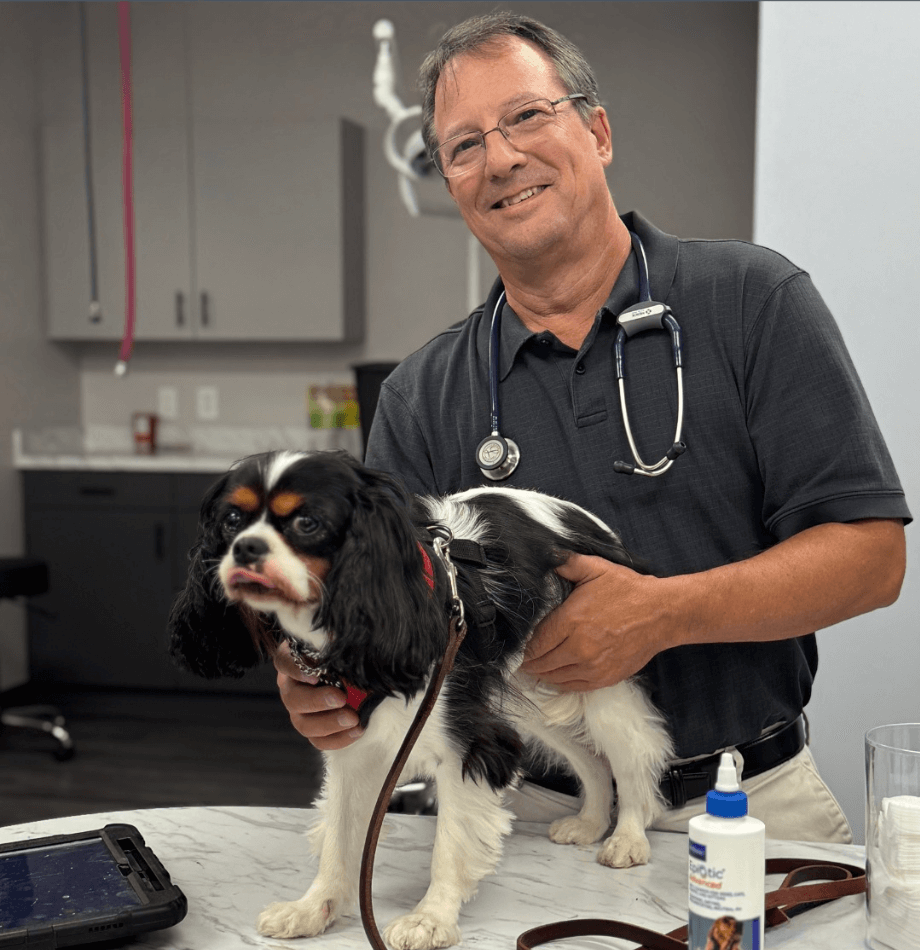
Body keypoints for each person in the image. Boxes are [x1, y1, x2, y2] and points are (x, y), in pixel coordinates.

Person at [275, 12, 910, 841]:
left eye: (526, 117)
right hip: (528, 818)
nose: (499, 158)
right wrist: (320, 674)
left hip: (749, 806)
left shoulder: (753, 303)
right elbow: (388, 611)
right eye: (463, 146)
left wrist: (667, 612)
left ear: (597, 131)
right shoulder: (422, 395)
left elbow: (871, 559)